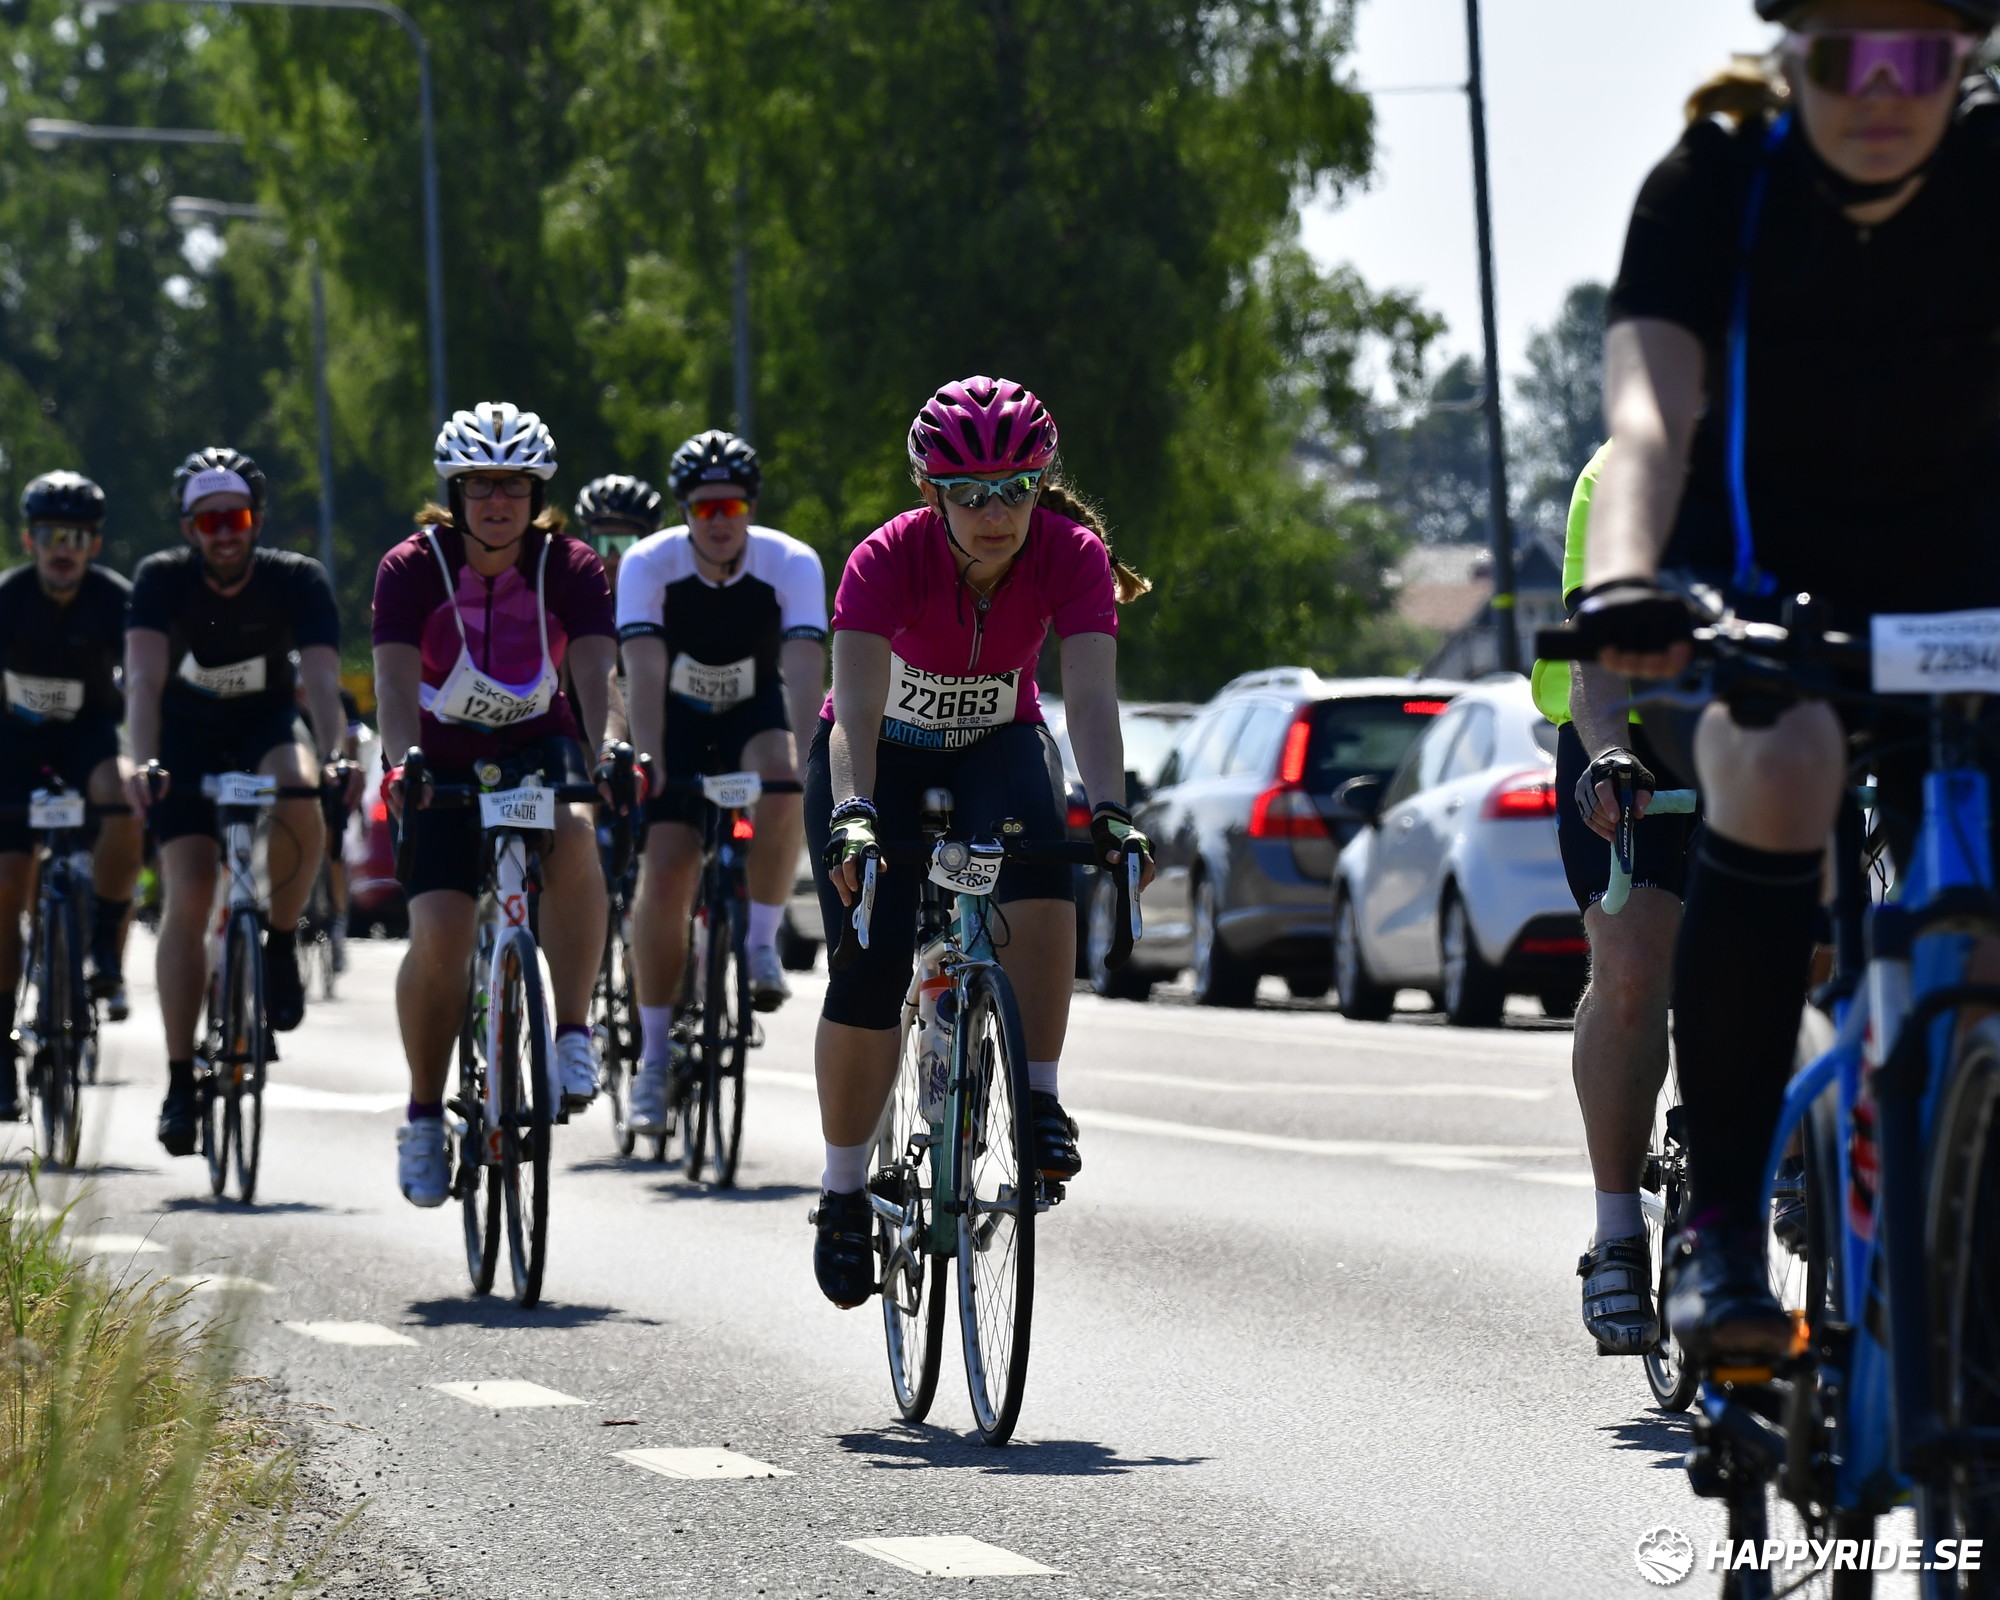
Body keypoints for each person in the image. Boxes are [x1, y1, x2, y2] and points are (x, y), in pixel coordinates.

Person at [1571, 0, 2000, 1362]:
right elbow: (1647, 418)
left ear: (1967, 60)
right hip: (1752, 587)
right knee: (1780, 760)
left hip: (1963, 591)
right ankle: (1720, 1238)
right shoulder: (1714, 183)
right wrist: (1622, 582)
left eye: (1916, 56)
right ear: (1789, 52)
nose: (1880, 89)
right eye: (1840, 54)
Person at [805, 377, 1155, 1307]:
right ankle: (843, 1194)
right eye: (970, 495)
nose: (995, 514)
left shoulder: (1073, 554)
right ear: (931, 493)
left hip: (996, 745)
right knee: (871, 964)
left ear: (1041, 484)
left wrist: (1112, 811)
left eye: (1015, 489)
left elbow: (1091, 702)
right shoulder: (886, 558)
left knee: (1044, 871)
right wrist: (853, 814)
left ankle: (1037, 1095)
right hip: (881, 752)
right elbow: (854, 714)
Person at [373, 402, 621, 1209]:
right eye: (479, 484)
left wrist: (609, 754)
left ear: (536, 493)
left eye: (513, 484)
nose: (496, 500)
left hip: (537, 743)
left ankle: (573, 1031)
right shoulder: (411, 567)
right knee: (441, 935)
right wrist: (401, 763)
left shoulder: (570, 566)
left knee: (575, 834)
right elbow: (392, 683)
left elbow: (597, 677)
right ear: (455, 492)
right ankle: (423, 1116)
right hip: (439, 756)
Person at [126, 448, 354, 1157]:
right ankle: (177, 1080)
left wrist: (337, 753)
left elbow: (323, 683)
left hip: (263, 727)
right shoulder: (161, 579)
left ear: (256, 521)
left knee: (301, 785)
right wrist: (141, 761)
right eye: (209, 522)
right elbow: (143, 681)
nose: (225, 533)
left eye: (237, 519)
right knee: (190, 894)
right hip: (185, 739)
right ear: (188, 528)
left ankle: (280, 944)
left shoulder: (297, 579)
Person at [1530, 443, 1699, 1355]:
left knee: (1820, 947)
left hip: (1768, 729)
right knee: (1634, 965)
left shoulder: (1830, 443)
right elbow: (1595, 651)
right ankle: (1619, 1233)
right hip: (1631, 738)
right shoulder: (1626, 472)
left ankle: (1803, 1172)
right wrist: (1606, 751)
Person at [616, 432, 827, 1134]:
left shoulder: (790, 562)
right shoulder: (649, 563)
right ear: (684, 512)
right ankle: (652, 1062)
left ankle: (761, 942)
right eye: (704, 508)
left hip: (751, 712)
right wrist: (650, 762)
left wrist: (813, 758)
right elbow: (644, 672)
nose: (718, 520)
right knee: (668, 869)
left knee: (783, 774)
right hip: (674, 719)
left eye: (731, 506)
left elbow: (804, 672)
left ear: (751, 508)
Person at [0, 472, 142, 1119]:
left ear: (95, 545)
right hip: (14, 744)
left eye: (78, 539)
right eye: (53, 536)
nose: (64, 550)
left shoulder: (117, 600)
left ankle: (105, 943)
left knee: (123, 794)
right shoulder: (8, 598)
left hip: (88, 739)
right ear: (29, 540)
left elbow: (142, 680)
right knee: (7, 884)